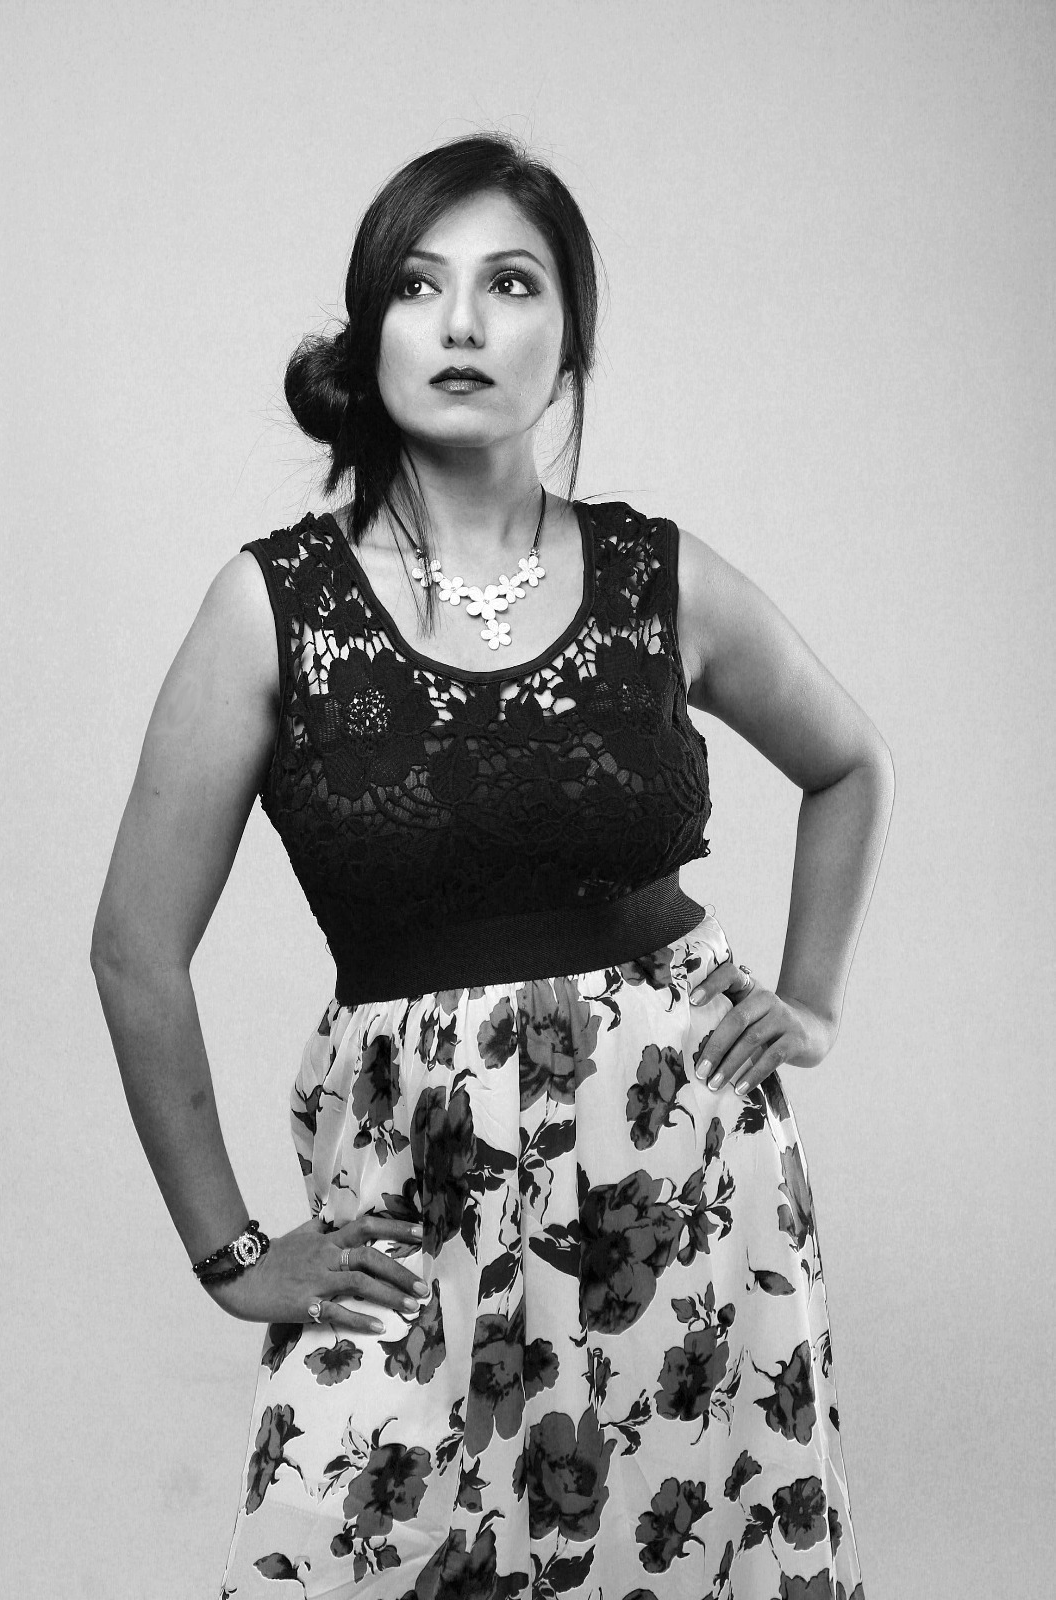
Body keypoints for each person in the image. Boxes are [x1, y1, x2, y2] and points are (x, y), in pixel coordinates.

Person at [91, 132, 890, 1600]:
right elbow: (134, 949)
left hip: (680, 1187)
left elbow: (849, 764)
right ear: (370, 333)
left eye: (510, 284)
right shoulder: (271, 606)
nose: (461, 322)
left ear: (568, 342)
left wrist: (813, 998)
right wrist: (232, 1254)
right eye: (418, 285)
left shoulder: (658, 576)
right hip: (414, 1200)